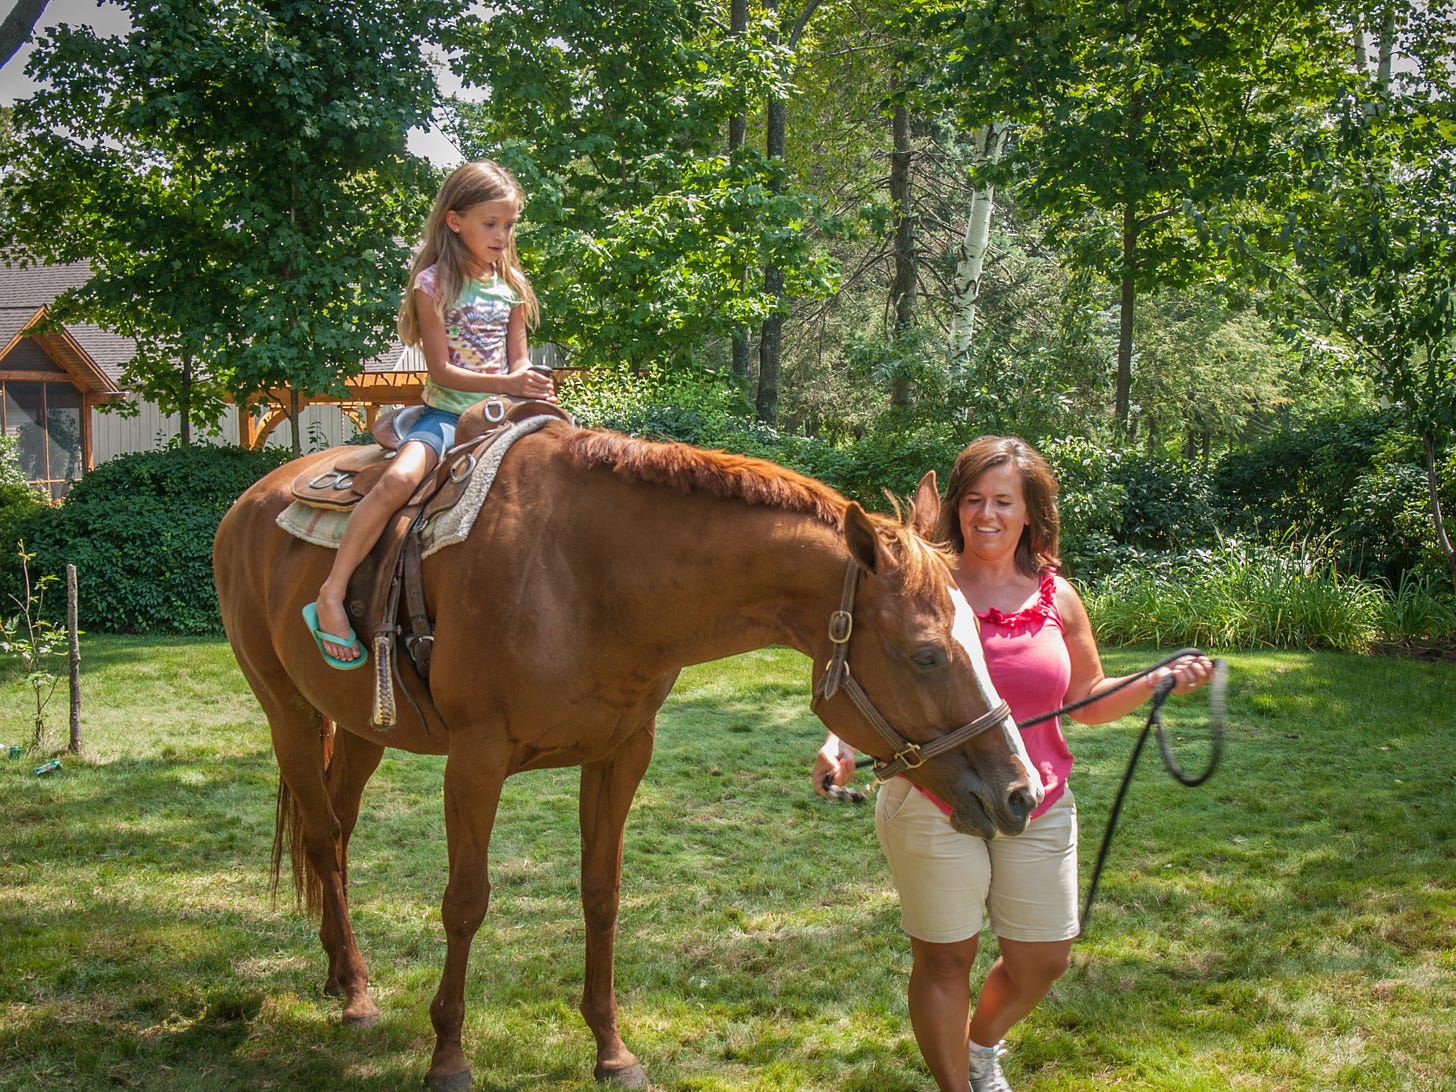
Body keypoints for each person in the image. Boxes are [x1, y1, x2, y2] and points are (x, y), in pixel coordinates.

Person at [812, 436, 1213, 1092]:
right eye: (973, 500)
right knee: (946, 958)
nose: (987, 515)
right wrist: (843, 744)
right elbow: (878, 677)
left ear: (1032, 513)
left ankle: (981, 1044)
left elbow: (1083, 700)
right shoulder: (922, 582)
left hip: (1036, 793)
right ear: (956, 510)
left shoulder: (1058, 597)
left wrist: (1157, 679)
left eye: (1004, 501)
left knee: (1042, 959)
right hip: (933, 794)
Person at [303, 160, 556, 669]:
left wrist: (530, 378)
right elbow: (441, 369)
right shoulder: (433, 283)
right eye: (491, 223)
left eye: (509, 224)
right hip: (446, 416)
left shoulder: (510, 287)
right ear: (454, 220)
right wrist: (507, 382)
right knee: (398, 480)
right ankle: (331, 593)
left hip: (505, 415)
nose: (502, 235)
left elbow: (519, 356)